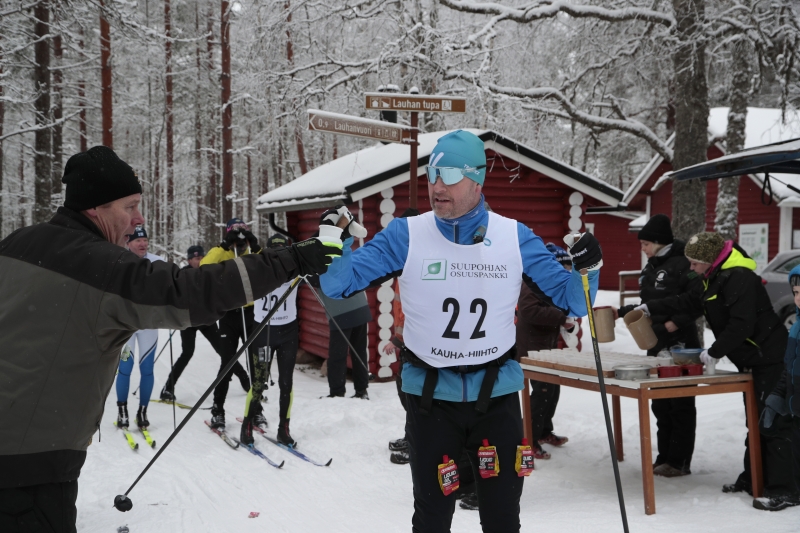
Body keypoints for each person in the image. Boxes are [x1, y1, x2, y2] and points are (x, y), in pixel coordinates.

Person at [0, 145, 340, 532]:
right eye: (130, 206)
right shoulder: (101, 265)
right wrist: (292, 260)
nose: (138, 218)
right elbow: (191, 292)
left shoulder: (15, 244)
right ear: (97, 208)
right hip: (29, 467)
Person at [319, 130, 602, 533]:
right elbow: (337, 285)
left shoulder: (513, 236)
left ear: (477, 179)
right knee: (432, 519)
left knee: (503, 519)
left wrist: (588, 268)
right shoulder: (408, 234)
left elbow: (574, 300)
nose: (437, 185)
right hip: (431, 402)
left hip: (497, 399)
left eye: (449, 174)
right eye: (432, 174)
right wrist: (333, 242)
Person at [640, 232, 796, 510]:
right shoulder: (712, 277)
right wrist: (649, 307)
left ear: (710, 260)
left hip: (770, 358)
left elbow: (742, 324)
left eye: (695, 263)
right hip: (752, 360)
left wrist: (712, 352)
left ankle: (785, 489)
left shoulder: (739, 278)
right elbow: (688, 303)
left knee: (773, 422)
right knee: (755, 420)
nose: (691, 268)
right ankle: (753, 478)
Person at [614, 214, 702, 477]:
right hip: (655, 342)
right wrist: (620, 312)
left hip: (681, 343)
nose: (642, 249)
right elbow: (647, 303)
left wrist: (677, 322)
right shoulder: (650, 267)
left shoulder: (683, 262)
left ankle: (679, 461)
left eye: (645, 244)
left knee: (680, 402)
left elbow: (697, 301)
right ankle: (664, 457)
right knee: (660, 404)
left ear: (659, 241)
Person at [159, 245, 250, 402]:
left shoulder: (208, 273)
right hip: (188, 321)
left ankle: (245, 381)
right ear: (189, 260)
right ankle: (168, 388)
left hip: (206, 319)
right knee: (187, 353)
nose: (199, 261)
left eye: (201, 257)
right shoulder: (183, 274)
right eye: (196, 258)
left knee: (224, 351)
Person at [201, 217, 265, 429]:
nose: (239, 238)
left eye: (243, 232)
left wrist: (254, 245)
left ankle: (256, 410)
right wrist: (223, 245)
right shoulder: (223, 253)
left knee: (255, 364)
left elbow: (268, 262)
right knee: (227, 364)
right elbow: (204, 266)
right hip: (229, 315)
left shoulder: (251, 253)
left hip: (251, 313)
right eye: (235, 232)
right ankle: (218, 410)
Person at [516, 242, 576, 460]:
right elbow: (530, 311)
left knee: (552, 389)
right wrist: (561, 318)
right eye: (565, 269)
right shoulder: (533, 282)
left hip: (545, 346)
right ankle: (528, 440)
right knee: (541, 393)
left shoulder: (552, 284)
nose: (567, 273)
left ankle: (543, 432)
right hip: (531, 348)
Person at [241, 234, 301, 447]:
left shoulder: (296, 271)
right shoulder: (259, 271)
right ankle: (247, 424)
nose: (278, 256)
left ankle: (284, 429)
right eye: (274, 252)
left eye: (282, 251)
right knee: (258, 382)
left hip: (287, 333)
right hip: (263, 333)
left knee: (287, 383)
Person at [757, 265, 800, 511]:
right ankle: (796, 493)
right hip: (797, 409)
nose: (797, 298)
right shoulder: (796, 326)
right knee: (796, 457)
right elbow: (789, 368)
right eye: (795, 292)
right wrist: (777, 396)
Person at [115, 227, 165, 429]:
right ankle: (122, 410)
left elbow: (167, 288)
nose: (143, 244)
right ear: (128, 242)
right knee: (125, 369)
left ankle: (142, 411)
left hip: (148, 325)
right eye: (138, 240)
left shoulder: (156, 262)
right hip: (126, 326)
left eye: (145, 239)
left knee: (147, 369)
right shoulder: (119, 260)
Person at [317, 283, 372, 400]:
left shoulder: (320, 268)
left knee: (337, 355)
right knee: (359, 351)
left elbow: (305, 277)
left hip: (341, 312)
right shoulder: (344, 264)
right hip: (360, 306)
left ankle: (337, 392)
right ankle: (361, 390)